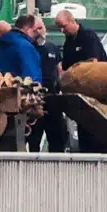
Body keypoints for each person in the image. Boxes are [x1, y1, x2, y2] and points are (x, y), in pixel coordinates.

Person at [55, 10, 107, 152]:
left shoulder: (88, 36)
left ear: (72, 21)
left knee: (96, 127)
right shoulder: (68, 43)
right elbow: (65, 68)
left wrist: (74, 71)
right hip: (79, 92)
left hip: (94, 90)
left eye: (64, 26)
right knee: (83, 127)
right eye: (59, 27)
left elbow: (93, 62)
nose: (62, 30)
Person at [25, 15, 67, 153]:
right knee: (34, 137)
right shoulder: (29, 48)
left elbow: (60, 69)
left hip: (52, 98)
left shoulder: (52, 48)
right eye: (36, 28)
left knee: (57, 135)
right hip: (35, 99)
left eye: (41, 27)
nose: (40, 31)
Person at [0, 14, 43, 83]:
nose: (38, 33)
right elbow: (33, 78)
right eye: (36, 29)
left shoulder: (1, 43)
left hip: (1, 88)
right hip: (19, 91)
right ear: (28, 28)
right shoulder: (25, 47)